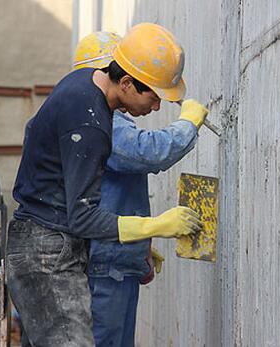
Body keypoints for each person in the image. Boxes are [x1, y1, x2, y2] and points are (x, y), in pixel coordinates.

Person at [6, 23, 208, 347]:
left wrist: (139, 238)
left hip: (43, 244)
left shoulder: (81, 87)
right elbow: (83, 217)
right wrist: (153, 226)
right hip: (47, 252)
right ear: (126, 82)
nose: (156, 107)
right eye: (153, 97)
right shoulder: (92, 122)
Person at [73, 32, 208, 346]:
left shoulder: (103, 113)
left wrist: (138, 244)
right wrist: (187, 124)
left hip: (115, 258)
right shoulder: (102, 117)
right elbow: (144, 152)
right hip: (105, 265)